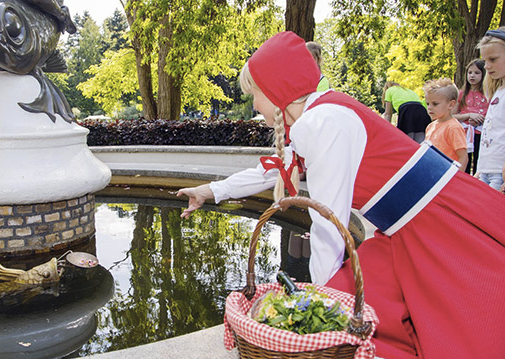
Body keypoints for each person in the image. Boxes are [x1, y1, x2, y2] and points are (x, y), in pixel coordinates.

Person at [178, 31, 505, 358]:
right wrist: (209, 191)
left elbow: (327, 223)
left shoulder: (322, 123)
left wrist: (324, 309)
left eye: (256, 94)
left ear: (276, 91)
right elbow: (274, 168)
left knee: (468, 325)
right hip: (415, 222)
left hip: (437, 222)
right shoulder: (320, 112)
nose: (254, 105)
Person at [476, 28, 505, 193]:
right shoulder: (498, 91)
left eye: (493, 59)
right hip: (487, 169)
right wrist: (481, 168)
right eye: (485, 60)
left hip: (500, 173)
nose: (487, 66)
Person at [423, 78, 468, 171]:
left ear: (451, 105)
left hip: (447, 176)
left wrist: (456, 178)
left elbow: (463, 157)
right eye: (428, 104)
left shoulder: (453, 127)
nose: (429, 107)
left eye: (435, 104)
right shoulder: (430, 126)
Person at [452, 59, 487, 175]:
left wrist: (480, 120)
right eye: (470, 72)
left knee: (479, 162)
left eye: (477, 73)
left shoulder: (488, 94)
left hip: (482, 134)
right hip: (463, 133)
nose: (472, 76)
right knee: (464, 162)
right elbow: (452, 115)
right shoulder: (461, 94)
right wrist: (468, 115)